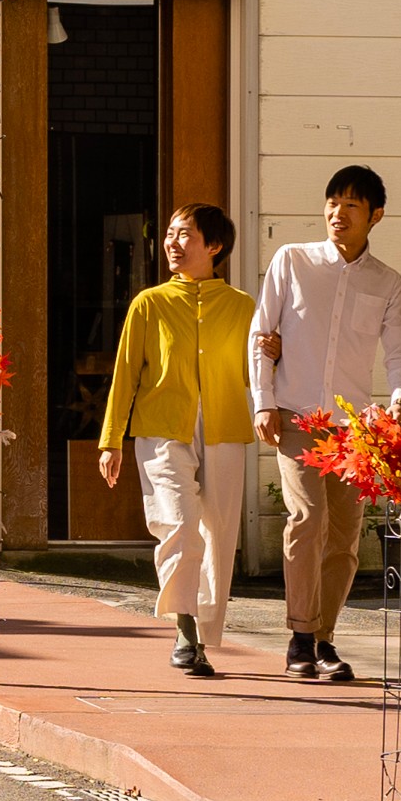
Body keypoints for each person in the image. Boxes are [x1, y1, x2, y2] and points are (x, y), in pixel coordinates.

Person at [253, 164, 401, 684]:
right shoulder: (292, 261)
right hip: (297, 417)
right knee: (307, 519)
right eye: (331, 202)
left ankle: (324, 639)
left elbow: (400, 353)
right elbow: (262, 333)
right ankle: (300, 637)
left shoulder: (389, 284)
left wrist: (398, 399)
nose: (336, 213)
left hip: (354, 430)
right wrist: (263, 400)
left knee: (345, 536)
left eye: (350, 204)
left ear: (376, 215)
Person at [93, 204, 250, 677]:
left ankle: (204, 629)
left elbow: (256, 374)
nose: (173, 244)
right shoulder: (150, 303)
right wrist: (111, 438)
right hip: (161, 429)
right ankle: (185, 630)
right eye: (169, 234)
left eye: (185, 235)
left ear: (214, 246)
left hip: (225, 426)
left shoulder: (243, 307)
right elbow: (124, 374)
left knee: (219, 535)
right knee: (178, 524)